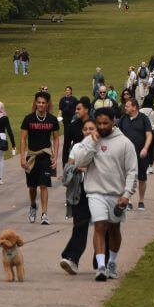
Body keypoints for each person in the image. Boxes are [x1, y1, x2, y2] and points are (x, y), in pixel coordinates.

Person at [72, 107, 138, 281]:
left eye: (105, 123)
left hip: (117, 194)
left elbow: (132, 171)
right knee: (100, 225)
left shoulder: (125, 143)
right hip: (95, 192)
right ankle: (101, 266)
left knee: (114, 228)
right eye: (99, 123)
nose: (101, 127)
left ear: (113, 122)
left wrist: (127, 194)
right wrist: (93, 144)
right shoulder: (90, 140)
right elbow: (78, 161)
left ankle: (112, 262)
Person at [58, 117, 97, 275]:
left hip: (98, 189)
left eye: (91, 129)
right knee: (80, 224)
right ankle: (71, 258)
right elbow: (71, 165)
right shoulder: (77, 147)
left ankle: (101, 262)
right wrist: (78, 168)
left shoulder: (101, 147)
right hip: (80, 190)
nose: (88, 131)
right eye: (86, 129)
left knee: (102, 227)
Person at [20, 91, 60, 225]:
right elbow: (23, 139)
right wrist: (22, 157)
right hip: (32, 156)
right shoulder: (28, 119)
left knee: (44, 185)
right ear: (35, 103)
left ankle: (44, 214)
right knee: (32, 187)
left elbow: (55, 139)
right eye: (39, 102)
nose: (41, 105)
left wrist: (55, 156)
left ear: (47, 104)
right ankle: (33, 206)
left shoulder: (52, 119)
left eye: (43, 102)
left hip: (45, 156)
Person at [118, 98, 154, 210]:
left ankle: (141, 200)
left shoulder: (144, 118)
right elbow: (118, 135)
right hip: (126, 154)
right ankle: (128, 200)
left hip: (141, 153)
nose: (125, 108)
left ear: (134, 107)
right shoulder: (123, 119)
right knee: (127, 177)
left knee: (142, 178)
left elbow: (149, 135)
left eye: (127, 106)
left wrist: (145, 148)